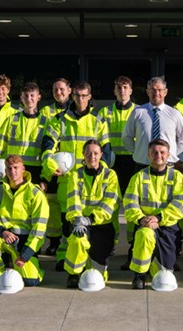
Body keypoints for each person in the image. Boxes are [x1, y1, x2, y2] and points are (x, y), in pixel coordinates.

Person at [41, 80, 112, 263]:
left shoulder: (98, 121)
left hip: (92, 179)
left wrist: (101, 173)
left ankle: (90, 255)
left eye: (84, 96)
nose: (80, 99)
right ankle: (65, 258)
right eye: (77, 95)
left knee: (92, 219)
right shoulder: (59, 120)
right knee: (68, 221)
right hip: (67, 179)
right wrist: (51, 166)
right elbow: (47, 147)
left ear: (89, 97)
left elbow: (106, 152)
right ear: (72, 96)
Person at [124, 140, 183, 289]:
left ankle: (154, 265)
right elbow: (129, 202)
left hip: (167, 227)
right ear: (148, 155)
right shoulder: (138, 177)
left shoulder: (177, 177)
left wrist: (159, 218)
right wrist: (141, 219)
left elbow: (181, 204)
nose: (158, 155)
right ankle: (139, 274)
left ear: (168, 155)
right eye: (154, 152)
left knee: (164, 274)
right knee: (144, 235)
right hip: (144, 224)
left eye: (162, 152)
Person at [0, 155, 50, 289]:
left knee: (30, 281)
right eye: (9, 168)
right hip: (4, 236)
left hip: (24, 241)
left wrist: (26, 255)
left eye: (16, 168)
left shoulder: (35, 193)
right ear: (5, 171)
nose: (13, 171)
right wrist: (2, 231)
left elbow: (39, 229)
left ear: (23, 169)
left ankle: (28, 266)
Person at [64, 139, 120, 287]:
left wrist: (90, 219)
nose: (92, 157)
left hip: (103, 225)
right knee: (77, 240)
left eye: (95, 153)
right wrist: (77, 220)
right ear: (82, 154)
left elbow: (110, 203)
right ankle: (73, 274)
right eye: (88, 153)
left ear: (101, 154)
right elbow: (72, 200)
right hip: (81, 224)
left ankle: (91, 264)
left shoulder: (111, 175)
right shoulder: (75, 175)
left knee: (98, 277)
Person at [123, 76, 183, 167]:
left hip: (167, 165)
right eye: (153, 90)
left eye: (159, 90)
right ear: (147, 92)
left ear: (165, 92)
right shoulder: (137, 112)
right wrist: (139, 151)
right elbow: (126, 137)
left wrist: (170, 153)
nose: (156, 93)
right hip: (143, 163)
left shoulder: (174, 114)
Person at [98, 75, 138, 193]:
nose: (122, 91)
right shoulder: (104, 112)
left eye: (125, 87)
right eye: (119, 88)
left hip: (133, 159)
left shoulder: (139, 111)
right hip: (111, 159)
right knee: (111, 193)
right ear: (114, 91)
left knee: (131, 194)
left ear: (131, 90)